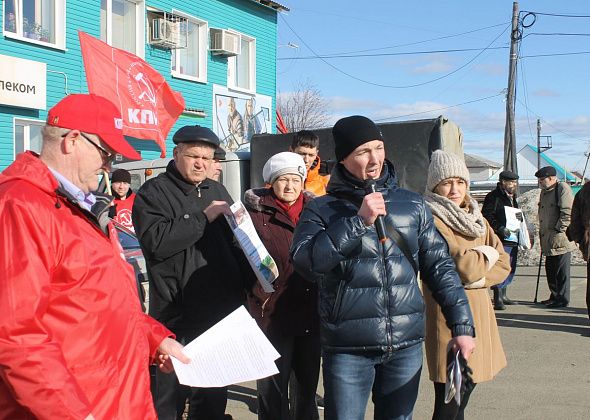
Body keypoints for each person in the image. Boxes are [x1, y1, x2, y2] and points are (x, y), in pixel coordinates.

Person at [0, 93, 188, 419]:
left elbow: (99, 302)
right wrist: (73, 413)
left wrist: (154, 340)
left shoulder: (82, 205)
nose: (108, 167)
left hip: (119, 398)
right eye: (106, 153)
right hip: (80, 407)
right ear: (72, 141)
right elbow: (16, 335)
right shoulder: (21, 205)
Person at [290, 115, 476, 420]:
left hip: (405, 344)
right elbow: (307, 263)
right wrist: (357, 222)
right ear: (344, 159)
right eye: (363, 152)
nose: (374, 158)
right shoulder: (321, 208)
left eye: (378, 147)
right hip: (348, 348)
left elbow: (440, 267)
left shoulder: (412, 204)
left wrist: (462, 326)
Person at [132, 125, 251, 419]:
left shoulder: (217, 189)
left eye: (207, 158)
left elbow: (236, 241)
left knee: (211, 395)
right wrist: (202, 217)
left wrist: (253, 277)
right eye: (193, 156)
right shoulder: (153, 192)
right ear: (176, 154)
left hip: (219, 313)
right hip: (177, 314)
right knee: (169, 398)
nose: (201, 163)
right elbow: (156, 243)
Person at [423, 150, 510, 420]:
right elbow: (463, 267)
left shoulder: (476, 217)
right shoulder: (431, 218)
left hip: (480, 316)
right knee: (449, 399)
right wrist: (487, 256)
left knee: (464, 392)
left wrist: (479, 274)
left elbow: (504, 264)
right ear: (435, 185)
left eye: (460, 182)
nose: (454, 189)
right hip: (448, 318)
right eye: (447, 182)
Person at [244, 152, 320, 420]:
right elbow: (240, 263)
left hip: (311, 312)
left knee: (306, 391)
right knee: (272, 391)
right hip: (270, 315)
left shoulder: (317, 211)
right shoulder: (252, 215)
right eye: (282, 180)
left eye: (295, 179)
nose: (290, 186)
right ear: (270, 183)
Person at [535, 166, 577, 308]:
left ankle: (562, 299)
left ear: (552, 178)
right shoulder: (544, 192)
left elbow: (568, 212)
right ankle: (554, 296)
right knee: (551, 270)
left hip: (560, 238)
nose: (540, 183)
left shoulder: (562, 189)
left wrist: (560, 229)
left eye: (542, 180)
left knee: (561, 272)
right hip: (548, 239)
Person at [482, 170, 520, 310]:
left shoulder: (512, 197)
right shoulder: (494, 197)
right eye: (511, 182)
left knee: (511, 266)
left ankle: (504, 294)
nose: (513, 185)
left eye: (515, 182)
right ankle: (497, 296)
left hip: (513, 236)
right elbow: (487, 215)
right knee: (501, 265)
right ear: (503, 182)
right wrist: (499, 228)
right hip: (501, 238)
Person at [566, 181, 590, 320]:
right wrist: (582, 240)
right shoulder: (585, 191)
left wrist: (581, 240)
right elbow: (575, 221)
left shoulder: (585, 190)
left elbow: (575, 221)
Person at [289, 130, 329, 196]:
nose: (306, 160)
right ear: (291, 151)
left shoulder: (326, 183)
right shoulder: (277, 180)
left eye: (311, 155)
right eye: (302, 154)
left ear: (316, 153)